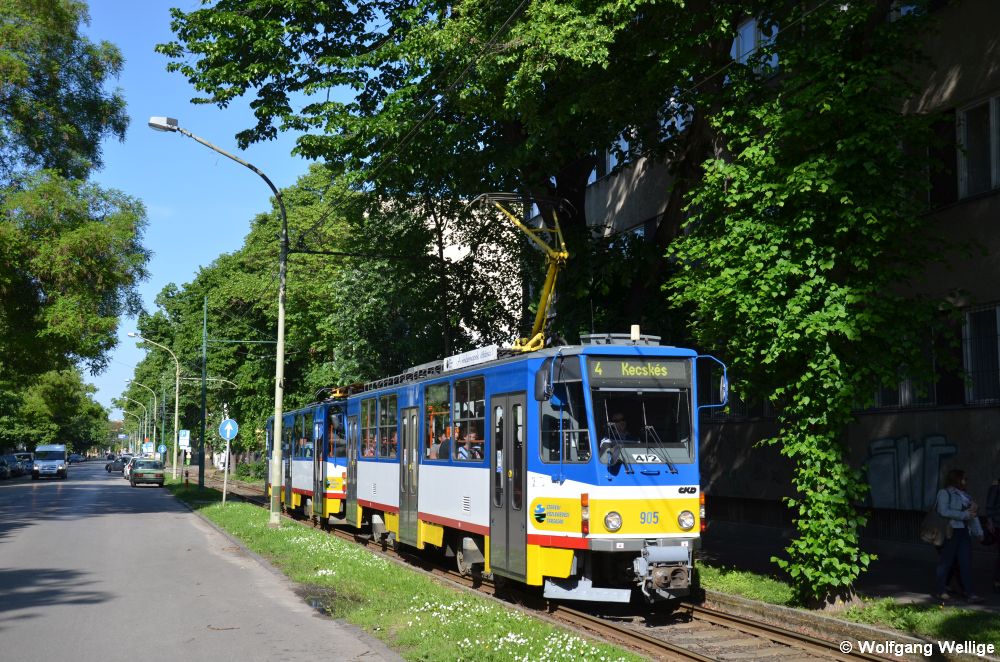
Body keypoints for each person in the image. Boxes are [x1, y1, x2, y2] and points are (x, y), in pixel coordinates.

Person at [933, 469, 983, 603]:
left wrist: (979, 532)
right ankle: (940, 591)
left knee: (965, 562)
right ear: (956, 479)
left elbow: (972, 516)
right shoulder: (944, 493)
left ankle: (969, 593)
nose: (966, 481)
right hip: (950, 531)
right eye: (964, 479)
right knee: (946, 562)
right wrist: (963, 514)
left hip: (964, 532)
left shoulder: (965, 496)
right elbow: (943, 511)